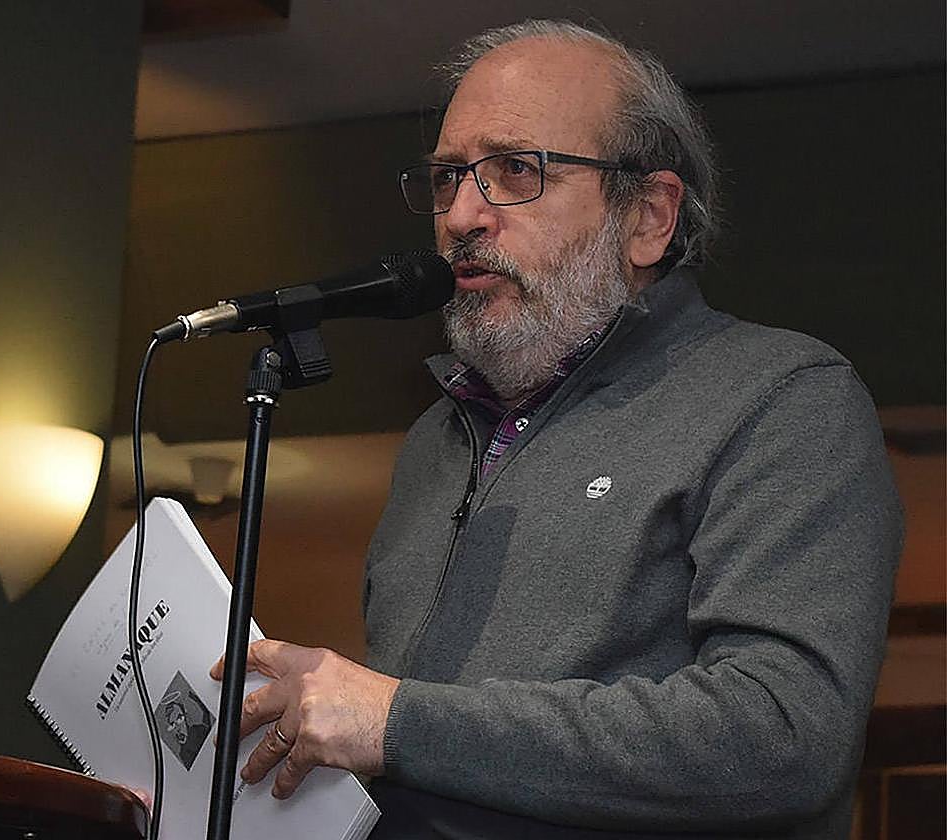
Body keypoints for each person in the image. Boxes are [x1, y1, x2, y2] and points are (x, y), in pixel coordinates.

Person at [211, 20, 903, 838]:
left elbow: (784, 736)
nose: (461, 215)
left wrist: (396, 722)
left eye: (516, 170)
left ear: (648, 217)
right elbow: (418, 773)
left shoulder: (781, 399)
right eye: (448, 177)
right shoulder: (435, 443)